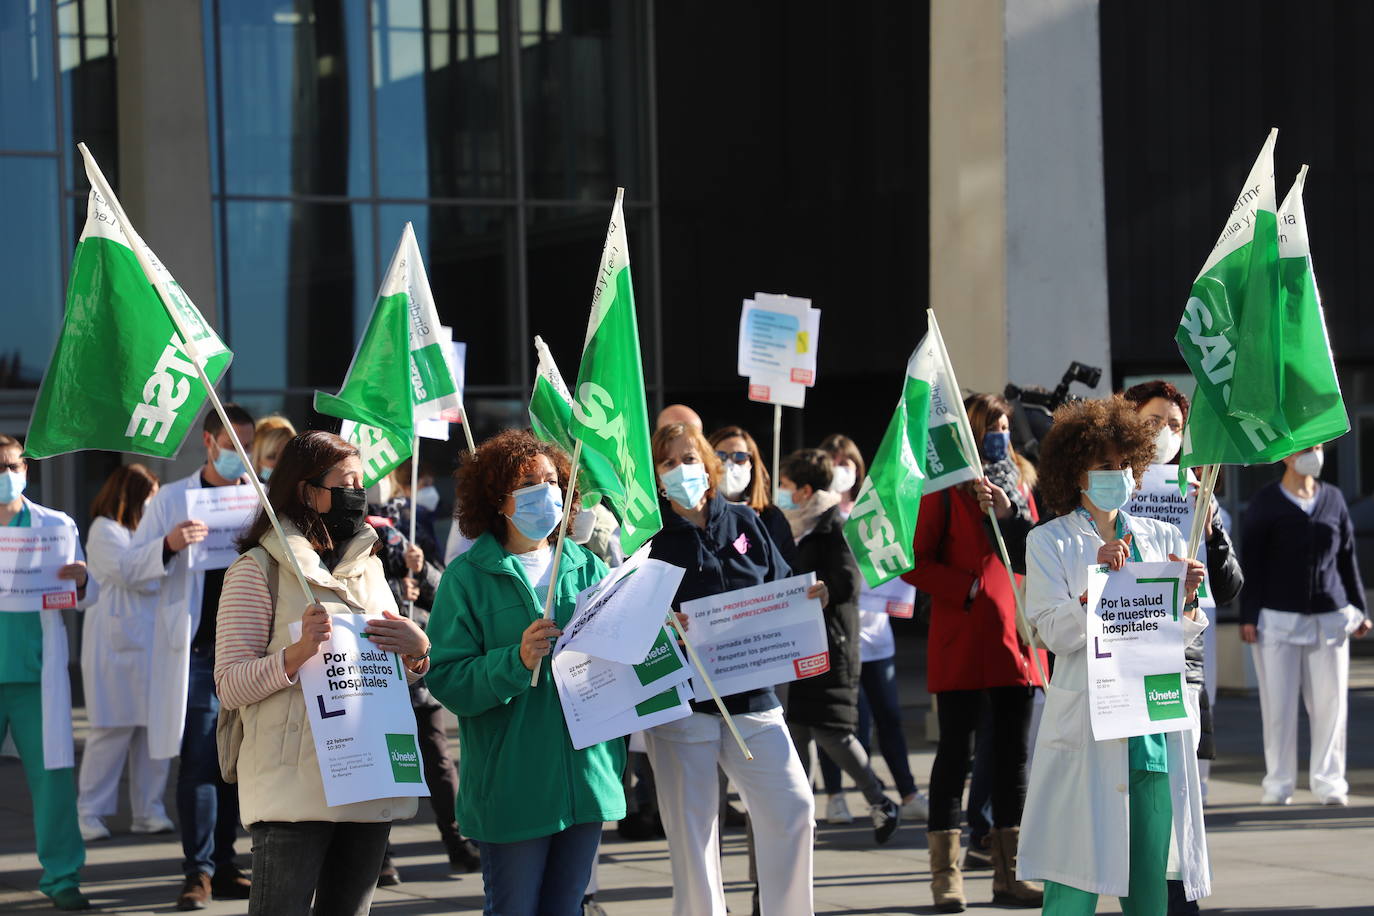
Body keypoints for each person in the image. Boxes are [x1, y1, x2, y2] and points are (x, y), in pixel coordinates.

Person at [214, 430, 429, 915]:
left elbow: (387, 671)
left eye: (362, 481)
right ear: (307, 490)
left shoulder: (369, 568)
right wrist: (296, 654)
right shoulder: (256, 569)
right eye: (347, 481)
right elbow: (229, 683)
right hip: (294, 790)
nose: (359, 493)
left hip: (368, 774)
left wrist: (417, 654)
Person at [1018, 396, 1211, 915]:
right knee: (1072, 881)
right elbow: (1053, 631)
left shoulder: (1163, 536)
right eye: (1106, 465)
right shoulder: (1049, 542)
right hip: (1089, 726)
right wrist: (1097, 587)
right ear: (1075, 470)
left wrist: (1187, 598)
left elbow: (1183, 635)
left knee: (1149, 888)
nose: (1119, 474)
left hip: (1151, 723)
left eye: (1127, 464)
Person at [425, 429, 626, 915]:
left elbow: (622, 662)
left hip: (586, 776)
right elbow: (448, 679)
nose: (548, 492)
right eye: (530, 483)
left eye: (554, 481)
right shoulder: (466, 578)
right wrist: (515, 661)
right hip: (512, 786)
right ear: (498, 499)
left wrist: (658, 635)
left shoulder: (588, 567)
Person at [643, 422, 822, 916]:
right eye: (669, 462)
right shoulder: (648, 535)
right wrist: (662, 626)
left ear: (709, 463)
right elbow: (630, 618)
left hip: (752, 694)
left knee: (794, 808)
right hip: (683, 704)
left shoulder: (746, 523)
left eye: (690, 458)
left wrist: (810, 596)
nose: (682, 469)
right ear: (656, 476)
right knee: (694, 837)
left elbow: (782, 587)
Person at [906, 394, 1047, 911]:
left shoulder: (1023, 483)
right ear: (969, 432)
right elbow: (913, 562)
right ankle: (947, 877)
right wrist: (965, 588)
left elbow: (1038, 550)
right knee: (955, 756)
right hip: (963, 639)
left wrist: (1008, 512)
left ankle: (1011, 874)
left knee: (1014, 760)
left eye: (1006, 425)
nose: (1001, 434)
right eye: (991, 426)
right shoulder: (943, 490)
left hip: (1016, 639)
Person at [127, 404, 256, 909]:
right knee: (201, 761)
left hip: (249, 653)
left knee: (237, 765)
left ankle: (226, 864)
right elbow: (133, 566)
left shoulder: (259, 499)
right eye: (231, 447)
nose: (237, 457)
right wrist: (169, 543)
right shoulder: (173, 500)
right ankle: (198, 871)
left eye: (245, 448)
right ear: (208, 443)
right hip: (200, 655)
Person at [778, 448, 902, 844]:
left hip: (831, 646)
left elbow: (850, 583)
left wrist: (825, 589)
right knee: (797, 730)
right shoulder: (795, 525)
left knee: (833, 732)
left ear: (805, 490)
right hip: (800, 644)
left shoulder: (836, 525)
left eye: (786, 486)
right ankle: (803, 818)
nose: (781, 493)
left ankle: (879, 800)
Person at [368, 460, 480, 884]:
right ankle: (381, 858)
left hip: (418, 669)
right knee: (384, 764)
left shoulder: (411, 522)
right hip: (377, 667)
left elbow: (443, 586)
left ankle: (457, 842)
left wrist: (419, 569)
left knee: (438, 760)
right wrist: (399, 588)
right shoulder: (344, 527)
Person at [1240, 442, 1370, 807]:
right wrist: (1249, 615)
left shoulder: (1334, 499)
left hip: (1330, 617)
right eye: (1306, 448)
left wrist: (1359, 608)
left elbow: (1347, 558)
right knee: (1278, 707)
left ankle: (1330, 783)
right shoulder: (1266, 501)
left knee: (1331, 706)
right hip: (1277, 620)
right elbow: (1253, 562)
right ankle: (1278, 784)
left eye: (1318, 446)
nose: (1314, 453)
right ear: (1286, 455)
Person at [0, 434, 96, 911]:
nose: (6, 475)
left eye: (12, 465)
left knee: (53, 779)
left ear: (26, 469)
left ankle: (61, 878)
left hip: (36, 675)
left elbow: (81, 591)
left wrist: (82, 579)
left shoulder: (55, 526)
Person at [814, 433, 926, 826]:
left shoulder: (875, 512)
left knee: (888, 718)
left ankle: (908, 791)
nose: (843, 469)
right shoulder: (819, 517)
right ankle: (835, 797)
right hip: (839, 639)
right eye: (835, 462)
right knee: (842, 724)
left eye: (849, 462)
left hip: (878, 639)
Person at [78, 463, 174, 842]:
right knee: (111, 731)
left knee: (154, 732)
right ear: (133, 496)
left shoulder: (146, 534)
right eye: (150, 497)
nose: (154, 505)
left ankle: (149, 810)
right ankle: (89, 812)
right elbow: (130, 573)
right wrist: (165, 552)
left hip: (152, 645)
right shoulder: (105, 530)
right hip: (116, 648)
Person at [708, 425, 797, 567]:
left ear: (752, 463)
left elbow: (790, 570)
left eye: (740, 457)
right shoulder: (700, 517)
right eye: (720, 456)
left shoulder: (771, 517)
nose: (729, 464)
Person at [250, 415, 296, 482]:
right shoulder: (243, 490)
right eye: (271, 457)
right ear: (256, 459)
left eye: (285, 456)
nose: (279, 463)